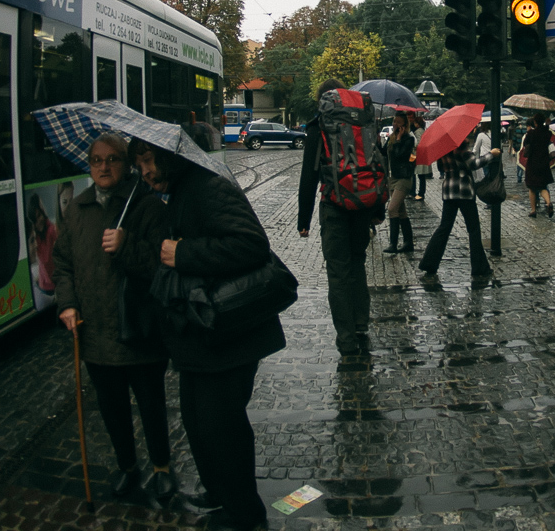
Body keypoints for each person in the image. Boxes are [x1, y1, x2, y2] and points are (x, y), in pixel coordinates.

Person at [131, 137, 284, 531]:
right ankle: (219, 492)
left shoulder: (207, 186)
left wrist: (184, 253)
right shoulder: (176, 191)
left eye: (149, 160)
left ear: (167, 156)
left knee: (222, 426)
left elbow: (251, 244)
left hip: (231, 332)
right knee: (197, 421)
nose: (144, 170)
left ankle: (246, 515)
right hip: (201, 333)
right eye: (139, 163)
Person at [52, 132, 174, 499]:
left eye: (113, 160)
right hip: (96, 332)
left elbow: (160, 266)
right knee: (112, 407)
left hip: (139, 329)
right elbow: (62, 264)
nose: (104, 167)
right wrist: (67, 303)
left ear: (127, 164)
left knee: (151, 403)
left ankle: (161, 467)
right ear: (88, 165)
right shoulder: (77, 209)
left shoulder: (147, 206)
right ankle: (127, 465)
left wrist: (126, 246)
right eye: (96, 160)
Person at [298, 79, 382, 355]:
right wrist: (377, 210)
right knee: (357, 264)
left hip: (334, 205)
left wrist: (303, 219)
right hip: (363, 205)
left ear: (322, 101)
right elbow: (378, 163)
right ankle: (361, 324)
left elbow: (308, 176)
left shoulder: (319, 127)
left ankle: (346, 339)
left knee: (338, 272)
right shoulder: (364, 124)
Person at [418, 134, 501, 278]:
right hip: (464, 191)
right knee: (473, 229)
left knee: (444, 227)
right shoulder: (461, 149)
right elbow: (474, 164)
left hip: (449, 191)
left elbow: (441, 167)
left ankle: (429, 263)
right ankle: (479, 267)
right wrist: (491, 155)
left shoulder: (443, 150)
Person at [381, 112, 416, 255]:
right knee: (401, 212)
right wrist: (380, 141)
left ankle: (393, 243)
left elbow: (400, 155)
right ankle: (408, 243)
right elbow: (384, 153)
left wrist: (399, 139)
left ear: (404, 125)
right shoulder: (391, 138)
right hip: (393, 177)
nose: (395, 124)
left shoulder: (408, 139)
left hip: (404, 177)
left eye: (398, 122)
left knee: (392, 208)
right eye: (394, 121)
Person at [523, 113, 555, 218]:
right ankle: (548, 203)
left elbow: (525, 144)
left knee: (532, 187)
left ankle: (533, 210)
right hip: (544, 163)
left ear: (535, 122)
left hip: (533, 163)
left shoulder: (531, 133)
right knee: (542, 186)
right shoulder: (547, 133)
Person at [27, 193, 58, 294]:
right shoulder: (35, 236)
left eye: (40, 215)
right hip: (43, 285)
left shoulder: (52, 230)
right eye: (35, 219)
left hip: (55, 286)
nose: (39, 221)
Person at [411, 113, 431, 200]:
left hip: (418, 155)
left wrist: (414, 145)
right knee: (421, 176)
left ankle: (418, 193)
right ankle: (421, 193)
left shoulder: (418, 132)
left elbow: (418, 144)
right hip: (422, 155)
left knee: (417, 175)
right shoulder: (424, 131)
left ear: (417, 124)